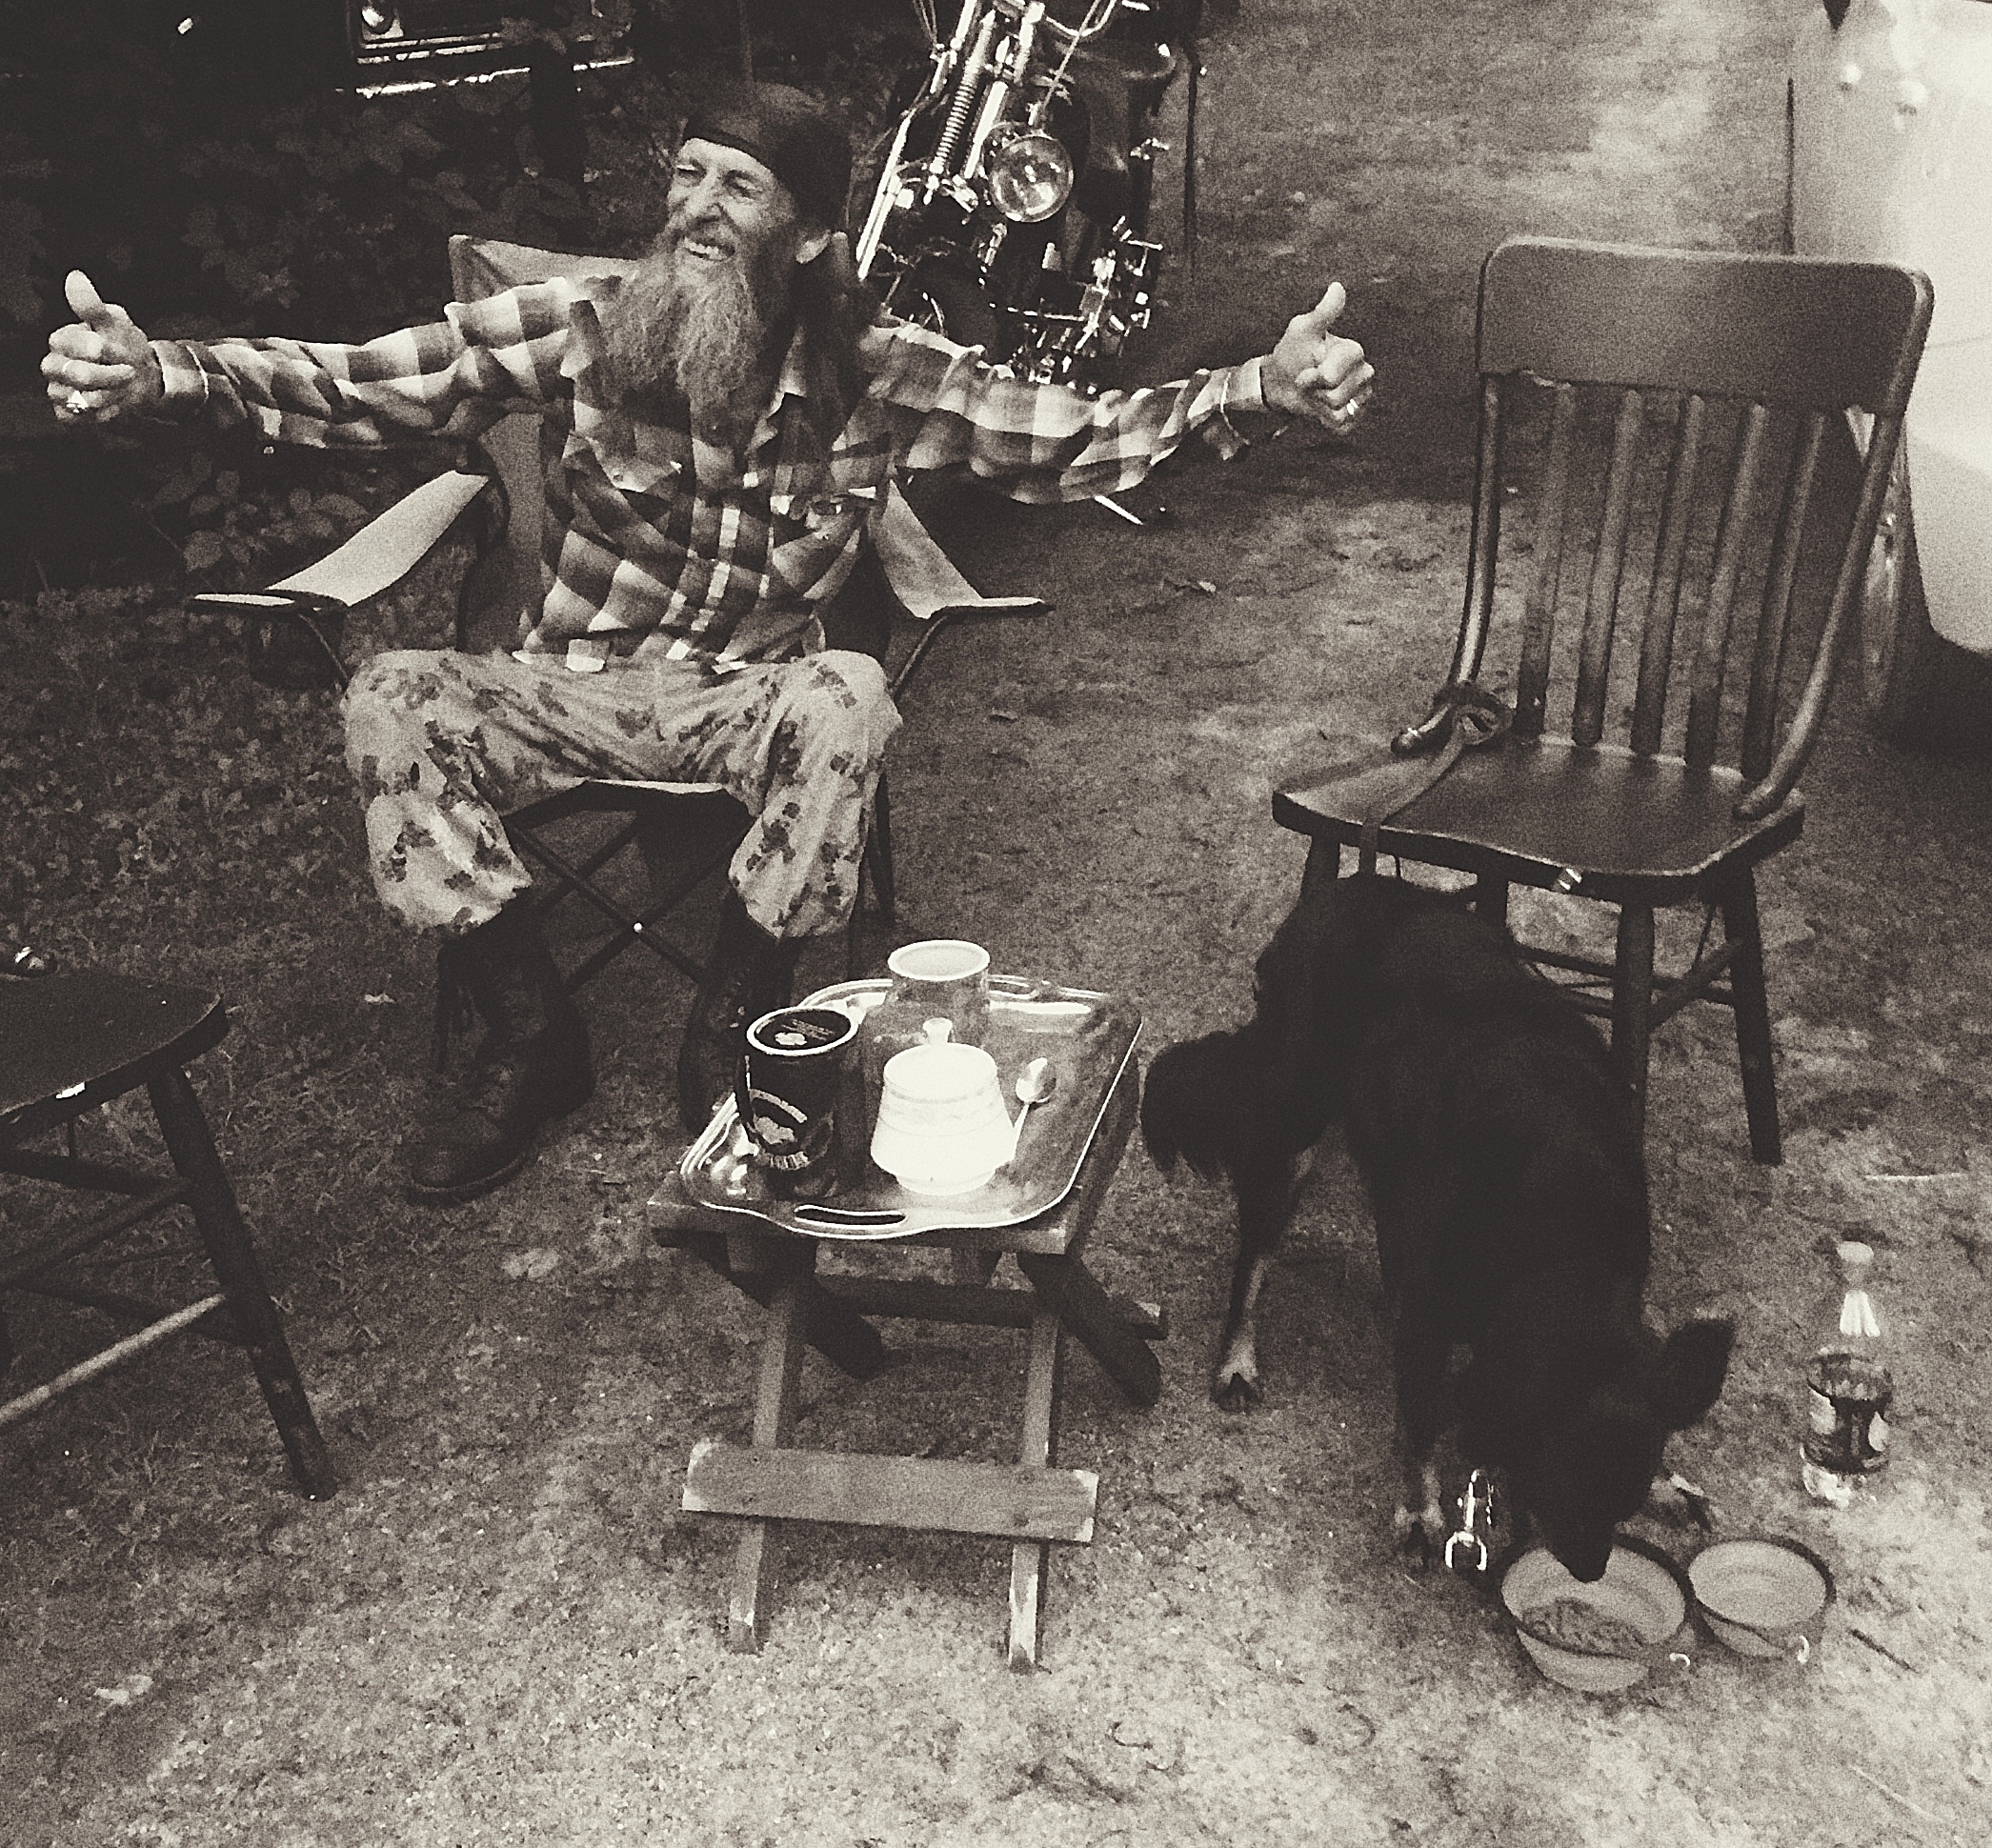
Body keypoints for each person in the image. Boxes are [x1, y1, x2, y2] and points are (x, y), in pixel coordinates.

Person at [43, 81, 1374, 1203]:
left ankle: (736, 1019)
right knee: (394, 691)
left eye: (739, 188)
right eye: (687, 175)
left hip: (747, 696)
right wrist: (162, 366)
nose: (697, 206)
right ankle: (525, 1029)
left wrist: (1258, 386)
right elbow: (359, 381)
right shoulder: (575, 324)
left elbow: (1075, 438)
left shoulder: (877, 366)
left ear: (803, 238)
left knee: (848, 692)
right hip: (561, 692)